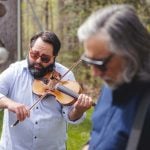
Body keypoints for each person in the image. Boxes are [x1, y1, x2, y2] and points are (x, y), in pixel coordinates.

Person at [0, 31, 93, 150]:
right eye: (34, 55)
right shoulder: (14, 71)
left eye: (45, 58)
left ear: (54, 57)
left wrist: (79, 109)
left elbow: (71, 116)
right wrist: (10, 104)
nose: (38, 61)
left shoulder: (66, 76)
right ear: (30, 49)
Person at [77, 4, 150, 150]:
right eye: (89, 62)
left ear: (130, 53)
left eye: (100, 63)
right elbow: (100, 135)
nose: (95, 73)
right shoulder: (111, 83)